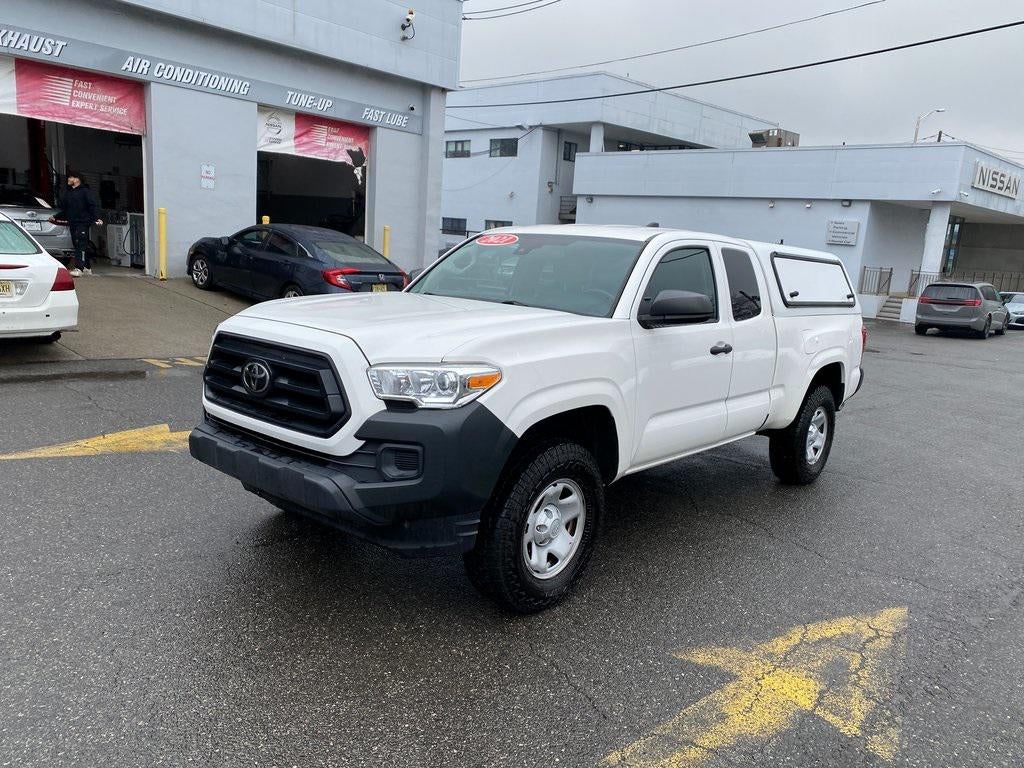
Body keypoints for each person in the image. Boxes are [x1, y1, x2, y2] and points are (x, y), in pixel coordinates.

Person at [52, 172, 103, 277]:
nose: (68, 179)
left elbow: (93, 206)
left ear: (77, 179)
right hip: (73, 223)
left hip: (83, 223)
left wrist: (97, 218)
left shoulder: (85, 192)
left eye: (70, 177)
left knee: (81, 244)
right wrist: (55, 217)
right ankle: (87, 268)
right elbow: (66, 210)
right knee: (78, 245)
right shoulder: (69, 194)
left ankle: (79, 268)